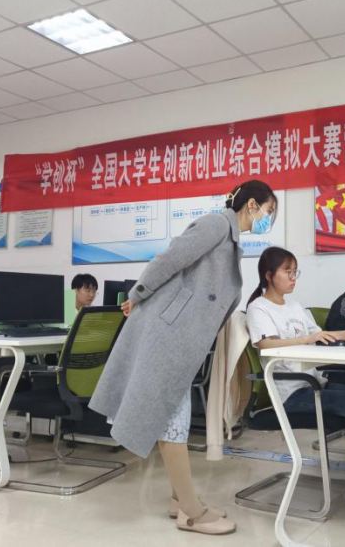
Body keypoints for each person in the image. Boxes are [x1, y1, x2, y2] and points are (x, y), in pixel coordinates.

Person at [90, 180, 277, 536]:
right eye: (269, 211)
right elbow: (171, 258)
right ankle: (191, 511)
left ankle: (180, 500)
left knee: (175, 417)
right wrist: (137, 294)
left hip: (180, 337)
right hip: (168, 334)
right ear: (252, 204)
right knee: (172, 420)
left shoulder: (230, 239)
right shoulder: (217, 224)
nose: (269, 219)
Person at [246, 246, 345, 523]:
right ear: (269, 275)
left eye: (295, 272)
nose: (293, 278)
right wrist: (305, 339)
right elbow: (266, 344)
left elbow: (322, 335)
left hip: (314, 384)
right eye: (287, 272)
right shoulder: (258, 308)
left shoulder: (294, 306)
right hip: (291, 393)